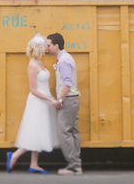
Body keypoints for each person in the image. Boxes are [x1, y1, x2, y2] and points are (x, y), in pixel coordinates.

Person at [7, 33, 60, 174]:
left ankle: (34, 164)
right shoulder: (32, 65)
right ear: (39, 49)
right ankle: (15, 155)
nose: (46, 49)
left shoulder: (39, 63)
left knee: (39, 131)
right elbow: (33, 90)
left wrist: (50, 97)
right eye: (44, 47)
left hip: (44, 100)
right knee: (34, 132)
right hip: (38, 102)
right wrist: (50, 99)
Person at [46, 33, 83, 175]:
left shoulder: (63, 61)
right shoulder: (66, 58)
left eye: (49, 45)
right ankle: (76, 163)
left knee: (65, 132)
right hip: (72, 99)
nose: (47, 48)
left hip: (67, 100)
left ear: (56, 45)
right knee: (73, 131)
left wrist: (59, 100)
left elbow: (66, 84)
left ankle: (74, 166)